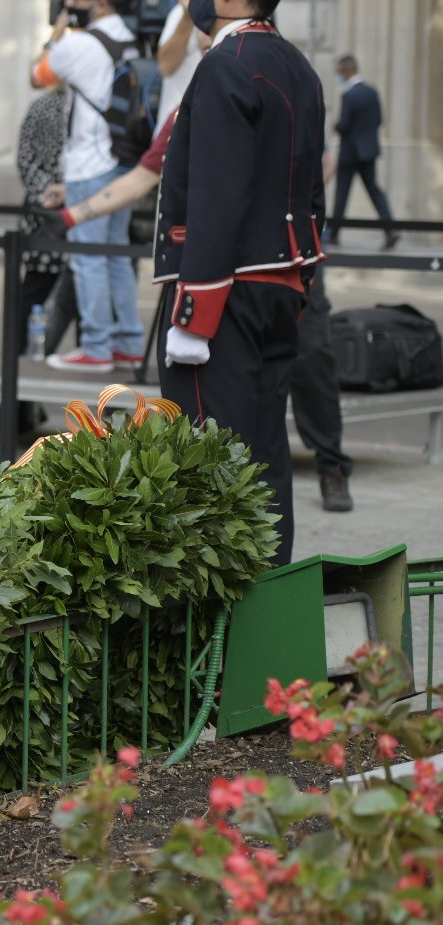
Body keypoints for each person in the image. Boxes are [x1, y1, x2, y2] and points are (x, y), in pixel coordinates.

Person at [152, 0, 325, 566]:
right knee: (265, 457)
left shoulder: (227, 65)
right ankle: (270, 603)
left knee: (208, 467)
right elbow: (309, 196)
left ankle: (217, 634)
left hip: (223, 291)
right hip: (278, 284)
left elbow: (216, 197)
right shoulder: (297, 64)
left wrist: (191, 316)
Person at [31, 0, 146, 374]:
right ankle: (129, 343)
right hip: (123, 163)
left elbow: (37, 76)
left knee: (87, 257)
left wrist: (57, 31)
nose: (69, 3)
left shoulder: (78, 44)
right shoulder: (132, 40)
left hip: (88, 163)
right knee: (114, 253)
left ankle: (96, 345)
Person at [292, 152, 354, 513]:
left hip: (301, 246)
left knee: (314, 354)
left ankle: (332, 466)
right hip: (245, 248)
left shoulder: (299, 96)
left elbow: (327, 158)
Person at [16, 87, 73, 360]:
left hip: (84, 211)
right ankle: (20, 353)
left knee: (84, 292)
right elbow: (25, 158)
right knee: (35, 291)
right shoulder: (44, 106)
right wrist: (49, 195)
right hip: (47, 218)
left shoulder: (96, 103)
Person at [324, 54, 397, 250]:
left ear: (347, 70)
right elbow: (379, 119)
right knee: (374, 190)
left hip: (350, 152)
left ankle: (334, 233)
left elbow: (344, 125)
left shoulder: (349, 95)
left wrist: (336, 126)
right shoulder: (372, 92)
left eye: (339, 71)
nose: (338, 75)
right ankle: (390, 229)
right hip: (368, 151)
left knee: (342, 193)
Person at [155, 0, 201, 125]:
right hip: (171, 128)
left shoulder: (230, 15)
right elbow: (165, 67)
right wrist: (187, 17)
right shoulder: (178, 13)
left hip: (201, 125)